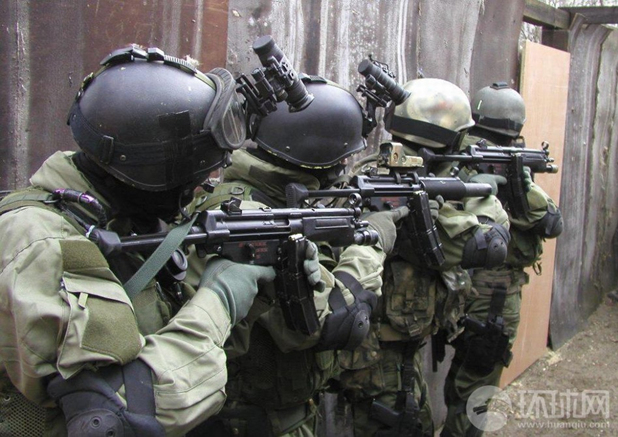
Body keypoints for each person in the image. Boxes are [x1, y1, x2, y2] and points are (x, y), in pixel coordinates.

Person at [0, 45, 278, 436]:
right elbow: (115, 419)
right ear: (154, 171)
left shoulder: (123, 220)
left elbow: (162, 335)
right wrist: (220, 299)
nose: (204, 184)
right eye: (196, 174)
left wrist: (257, 261)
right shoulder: (40, 241)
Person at [184, 75, 405, 437]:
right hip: (254, 420)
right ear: (321, 160)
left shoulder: (252, 196)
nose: (346, 166)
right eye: (344, 159)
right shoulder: (255, 221)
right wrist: (372, 240)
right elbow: (337, 322)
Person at [333, 78, 511, 437]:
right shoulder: (399, 190)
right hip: (380, 354)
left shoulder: (373, 173)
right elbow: (490, 245)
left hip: (393, 348)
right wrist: (481, 193)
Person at [440, 82, 563, 437]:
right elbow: (551, 223)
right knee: (476, 387)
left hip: (452, 286)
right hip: (494, 293)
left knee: (464, 378)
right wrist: (520, 185)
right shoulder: (488, 164)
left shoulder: (454, 153)